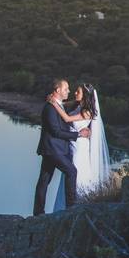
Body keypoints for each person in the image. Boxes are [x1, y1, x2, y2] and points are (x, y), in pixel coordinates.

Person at [33, 78, 91, 215]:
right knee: (71, 172)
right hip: (53, 149)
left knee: (44, 180)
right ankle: (70, 208)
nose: (69, 91)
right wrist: (78, 135)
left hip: (54, 149)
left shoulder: (59, 105)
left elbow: (77, 107)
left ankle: (38, 212)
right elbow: (56, 131)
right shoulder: (50, 108)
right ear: (58, 90)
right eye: (66, 89)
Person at [51, 83, 112, 211]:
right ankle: (64, 207)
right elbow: (66, 106)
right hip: (73, 146)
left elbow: (67, 119)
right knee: (69, 175)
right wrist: (56, 100)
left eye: (78, 92)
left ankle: (76, 205)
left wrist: (54, 104)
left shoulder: (88, 112)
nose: (75, 93)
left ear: (85, 96)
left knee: (77, 174)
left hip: (80, 149)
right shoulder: (78, 106)